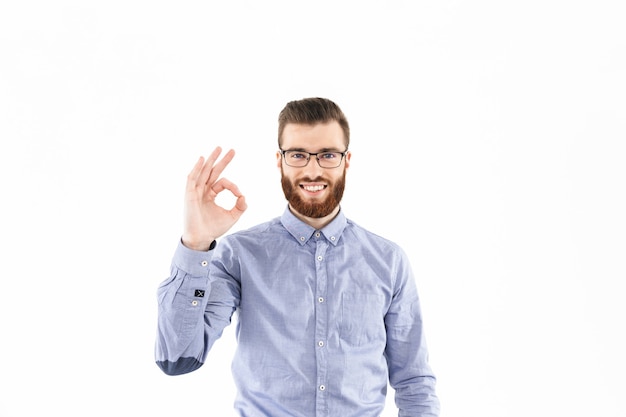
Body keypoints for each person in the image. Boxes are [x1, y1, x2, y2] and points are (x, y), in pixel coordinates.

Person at [155, 97, 440, 416]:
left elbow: (414, 382)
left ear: (346, 161)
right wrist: (195, 242)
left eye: (328, 155)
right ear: (280, 161)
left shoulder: (389, 260)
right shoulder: (239, 255)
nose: (313, 170)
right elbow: (177, 358)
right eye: (298, 155)